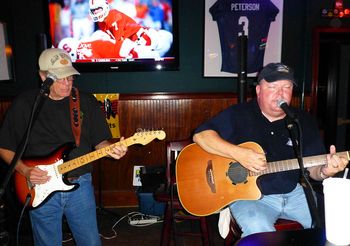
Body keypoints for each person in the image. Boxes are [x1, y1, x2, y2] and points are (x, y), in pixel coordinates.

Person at [192, 63, 349, 237]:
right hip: (250, 198)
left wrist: (325, 171)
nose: (280, 93)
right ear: (258, 90)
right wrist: (239, 154)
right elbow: (201, 136)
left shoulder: (301, 120)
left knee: (338, 222)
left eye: (286, 87)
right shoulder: (239, 113)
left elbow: (313, 171)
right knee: (259, 229)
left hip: (294, 193)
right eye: (273, 87)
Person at [0, 48, 127, 245]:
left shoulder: (85, 101)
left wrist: (112, 150)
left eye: (70, 77)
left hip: (80, 185)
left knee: (91, 242)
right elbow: (5, 147)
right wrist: (25, 170)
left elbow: (101, 143)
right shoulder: (25, 104)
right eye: (59, 78)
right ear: (43, 76)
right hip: (39, 186)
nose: (66, 83)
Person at [89, 0, 173, 57]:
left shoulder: (114, 16)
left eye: (98, 9)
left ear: (105, 6)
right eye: (94, 10)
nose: (96, 12)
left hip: (150, 40)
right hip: (137, 43)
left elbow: (119, 45)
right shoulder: (101, 22)